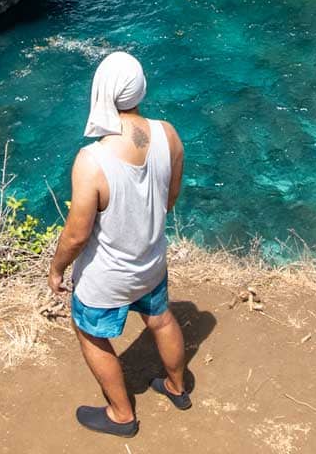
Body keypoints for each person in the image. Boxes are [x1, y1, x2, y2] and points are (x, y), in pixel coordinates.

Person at [49, 52, 188, 438]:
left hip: (107, 278)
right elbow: (169, 199)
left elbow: (77, 234)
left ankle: (121, 415)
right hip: (152, 264)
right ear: (140, 88)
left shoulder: (92, 160)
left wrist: (56, 268)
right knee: (160, 319)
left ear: (103, 93)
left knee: (90, 333)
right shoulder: (168, 133)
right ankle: (177, 388)